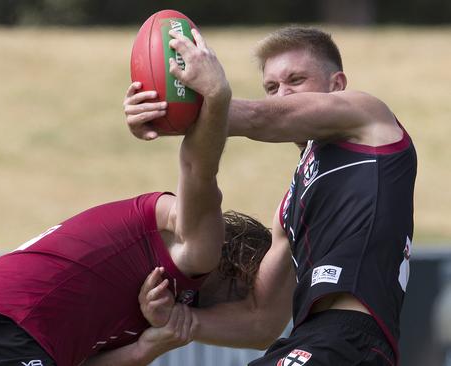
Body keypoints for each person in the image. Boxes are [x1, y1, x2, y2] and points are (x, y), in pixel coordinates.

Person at [0, 29, 273, 366]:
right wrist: (215, 94)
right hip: (0, 327)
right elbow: (199, 171)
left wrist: (147, 349)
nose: (231, 319)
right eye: (243, 303)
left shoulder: (154, 296)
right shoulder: (198, 253)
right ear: (238, 274)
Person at [126, 26, 416, 365]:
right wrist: (178, 317)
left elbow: (262, 118)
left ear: (336, 85)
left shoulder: (368, 115)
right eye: (271, 87)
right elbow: (260, 319)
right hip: (316, 341)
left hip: (348, 339)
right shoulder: (290, 206)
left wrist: (170, 108)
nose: (281, 96)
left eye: (295, 80)